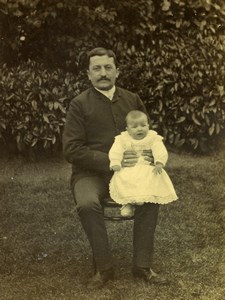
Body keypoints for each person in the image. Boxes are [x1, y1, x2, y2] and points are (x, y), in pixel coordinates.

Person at [63, 47, 168, 289]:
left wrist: (151, 155)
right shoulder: (79, 105)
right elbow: (72, 150)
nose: (103, 73)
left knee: (151, 198)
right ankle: (104, 268)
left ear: (117, 71)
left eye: (108, 67)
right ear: (88, 74)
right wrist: (110, 162)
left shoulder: (132, 100)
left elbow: (147, 134)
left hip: (132, 174)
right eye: (96, 68)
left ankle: (142, 265)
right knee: (87, 203)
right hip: (91, 174)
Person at [109, 110, 178, 217]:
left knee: (149, 179)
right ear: (127, 129)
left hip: (146, 166)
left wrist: (159, 161)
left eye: (143, 125)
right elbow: (115, 151)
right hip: (129, 167)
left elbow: (160, 150)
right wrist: (115, 162)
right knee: (125, 180)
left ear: (148, 125)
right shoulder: (123, 139)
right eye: (135, 127)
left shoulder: (152, 138)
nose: (140, 129)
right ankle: (127, 203)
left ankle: (144, 198)